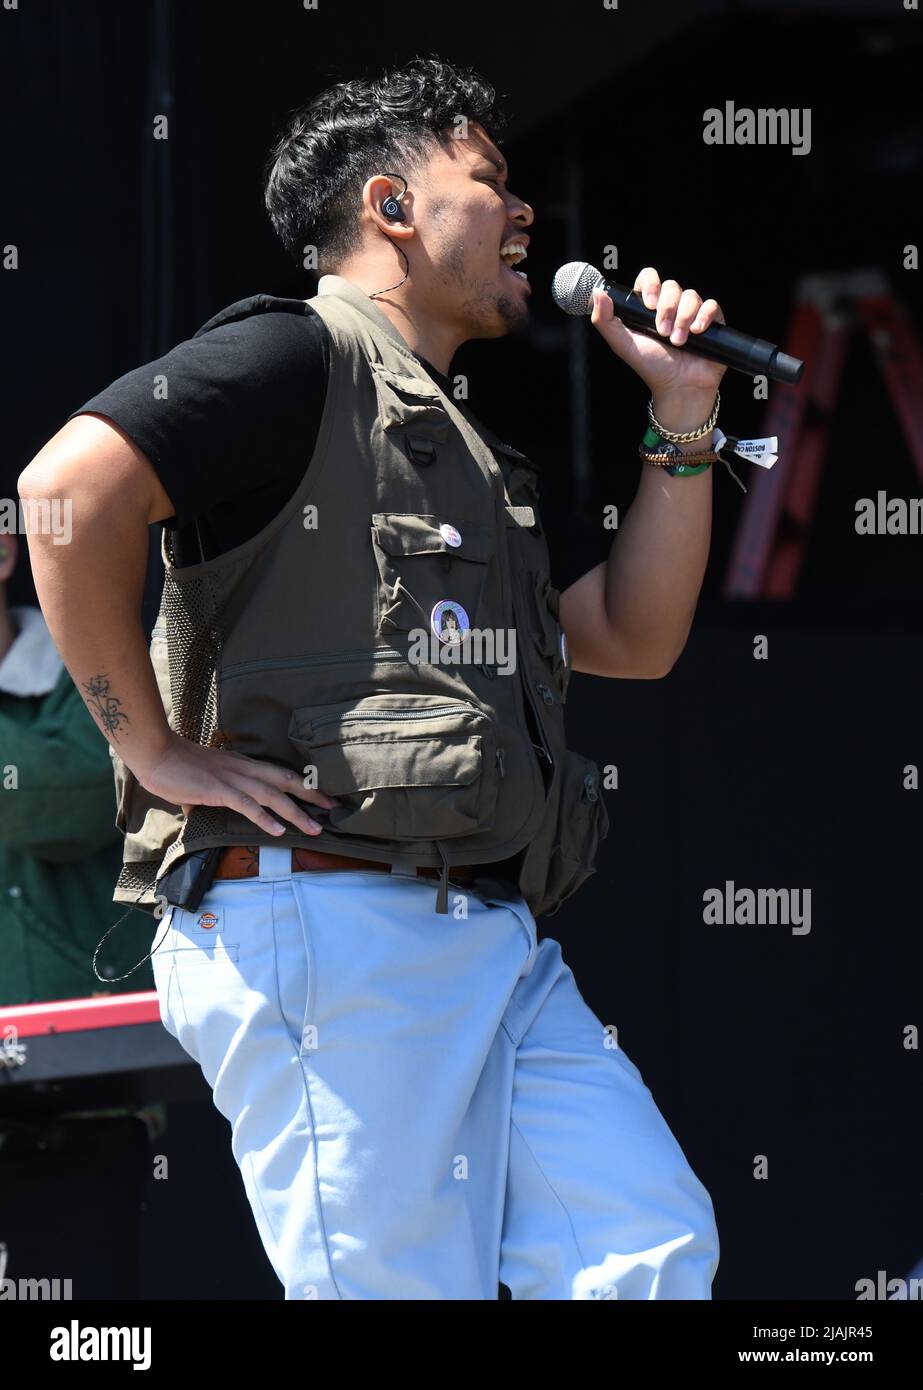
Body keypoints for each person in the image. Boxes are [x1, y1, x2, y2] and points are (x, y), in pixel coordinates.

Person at [18, 56, 724, 1300]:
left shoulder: (459, 446)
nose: (522, 214)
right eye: (488, 180)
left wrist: (680, 415)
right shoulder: (294, 357)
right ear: (391, 207)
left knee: (642, 1256)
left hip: (488, 935)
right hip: (333, 921)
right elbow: (64, 493)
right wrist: (152, 750)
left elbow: (628, 632)